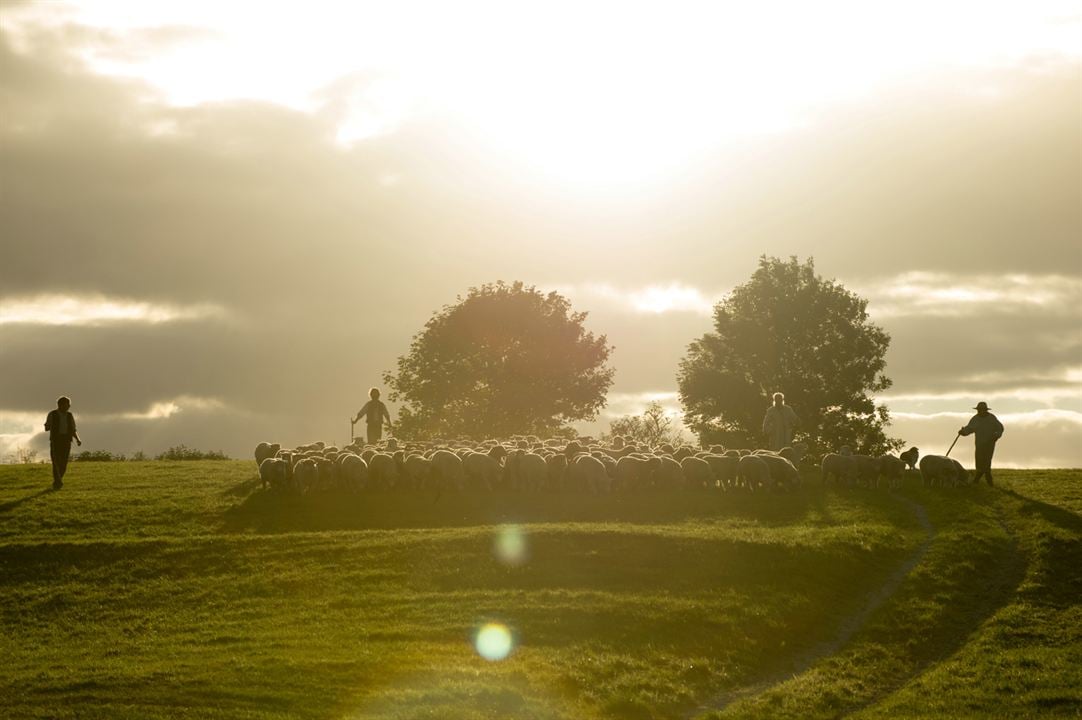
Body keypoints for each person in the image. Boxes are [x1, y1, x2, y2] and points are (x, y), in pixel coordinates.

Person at [959, 401, 1003, 486]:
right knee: (979, 460)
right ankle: (984, 479)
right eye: (979, 410)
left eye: (981, 409)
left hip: (990, 443)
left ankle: (982, 479)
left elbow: (1000, 428)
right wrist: (963, 432)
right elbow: (969, 428)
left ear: (985, 410)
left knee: (987, 460)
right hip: (979, 444)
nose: (979, 411)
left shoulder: (992, 418)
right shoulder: (975, 419)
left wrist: (996, 435)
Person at [44, 396, 81, 490]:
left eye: (68, 405)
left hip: (66, 440)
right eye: (66, 405)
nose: (68, 407)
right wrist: (49, 426)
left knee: (64, 463)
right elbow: (47, 427)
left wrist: (77, 439)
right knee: (56, 461)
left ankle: (58, 480)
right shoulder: (52, 414)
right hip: (56, 440)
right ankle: (58, 482)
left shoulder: (69, 415)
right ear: (60, 405)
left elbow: (73, 429)